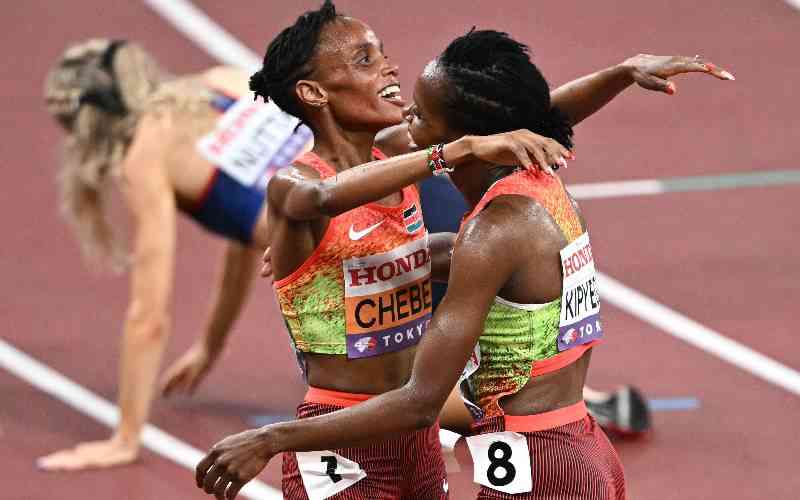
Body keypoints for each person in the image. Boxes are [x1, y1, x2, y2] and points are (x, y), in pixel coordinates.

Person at [195, 3, 733, 499]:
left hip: (414, 430)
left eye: (382, 53)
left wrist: (619, 75)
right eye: (365, 60)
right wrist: (455, 152)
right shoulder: (295, 184)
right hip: (340, 439)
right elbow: (322, 197)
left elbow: (511, 121)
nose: (389, 68)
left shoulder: (398, 155)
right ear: (315, 93)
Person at [38, 38, 312, 471]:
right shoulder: (221, 82)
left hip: (349, 242)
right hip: (398, 189)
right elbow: (248, 226)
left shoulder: (145, 155)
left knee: (377, 399)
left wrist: (125, 438)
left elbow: (148, 317)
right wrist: (211, 345)